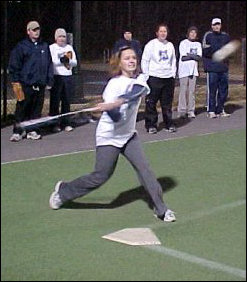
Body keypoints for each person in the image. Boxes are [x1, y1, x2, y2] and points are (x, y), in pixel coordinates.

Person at [49, 46, 176, 223]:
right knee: (100, 176)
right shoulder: (113, 85)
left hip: (129, 135)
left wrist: (116, 103)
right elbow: (116, 118)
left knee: (144, 169)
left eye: (133, 58)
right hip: (109, 136)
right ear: (120, 63)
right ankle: (64, 191)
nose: (131, 61)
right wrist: (108, 109)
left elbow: (136, 92)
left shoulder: (141, 79)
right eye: (127, 58)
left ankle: (161, 209)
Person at [8, 21, 54, 142]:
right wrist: (16, 82)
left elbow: (49, 64)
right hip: (25, 84)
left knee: (36, 110)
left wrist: (49, 80)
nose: (36, 32)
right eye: (33, 30)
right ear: (28, 32)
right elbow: (14, 65)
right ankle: (18, 131)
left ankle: (32, 130)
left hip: (40, 84)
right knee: (22, 109)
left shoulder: (44, 46)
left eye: (38, 29)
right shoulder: (21, 47)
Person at [141, 23, 177, 134]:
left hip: (168, 78)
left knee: (167, 103)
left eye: (165, 31)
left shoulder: (170, 45)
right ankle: (151, 125)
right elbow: (145, 60)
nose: (163, 33)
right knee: (151, 103)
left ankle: (168, 123)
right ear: (157, 33)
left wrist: (173, 74)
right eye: (161, 31)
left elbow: (173, 61)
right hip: (154, 77)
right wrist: (146, 75)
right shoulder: (151, 45)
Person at [49, 28, 78, 133]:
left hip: (67, 76)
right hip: (57, 77)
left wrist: (68, 60)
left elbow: (75, 62)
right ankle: (54, 124)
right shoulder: (52, 48)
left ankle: (66, 122)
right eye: (60, 36)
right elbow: (52, 62)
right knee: (55, 101)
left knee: (66, 101)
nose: (62, 39)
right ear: (56, 38)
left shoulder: (69, 47)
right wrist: (61, 60)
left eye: (63, 37)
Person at [202, 17, 231, 118]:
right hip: (212, 68)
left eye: (218, 24)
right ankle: (211, 110)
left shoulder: (226, 36)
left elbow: (229, 51)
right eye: (215, 25)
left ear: (221, 25)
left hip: (223, 68)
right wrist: (218, 51)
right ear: (211, 26)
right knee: (212, 90)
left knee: (223, 91)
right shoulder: (208, 35)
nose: (216, 26)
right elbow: (205, 51)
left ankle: (220, 109)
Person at [177, 26, 202, 119]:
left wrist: (190, 55)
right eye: (191, 32)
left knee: (192, 91)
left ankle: (191, 110)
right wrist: (193, 56)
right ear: (188, 34)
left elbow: (199, 57)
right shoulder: (183, 43)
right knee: (183, 91)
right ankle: (182, 110)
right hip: (184, 71)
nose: (193, 34)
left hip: (193, 71)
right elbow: (183, 57)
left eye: (195, 33)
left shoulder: (198, 44)